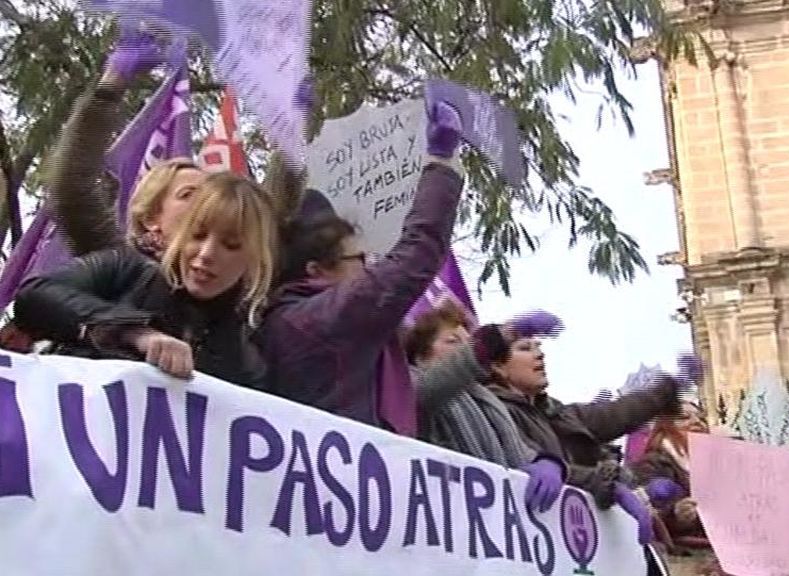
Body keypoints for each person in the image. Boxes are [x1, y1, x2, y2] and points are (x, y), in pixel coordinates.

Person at [0, 30, 303, 352]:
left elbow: (270, 215)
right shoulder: (121, 266)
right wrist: (110, 87)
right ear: (150, 219)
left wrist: (291, 133)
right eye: (190, 195)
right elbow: (74, 187)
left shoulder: (235, 303)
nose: (208, 204)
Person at [257, 100, 465, 436]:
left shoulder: (301, 318)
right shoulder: (317, 318)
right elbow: (415, 257)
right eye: (360, 259)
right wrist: (441, 163)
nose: (372, 267)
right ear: (317, 271)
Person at [13, 172, 277, 388]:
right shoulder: (125, 270)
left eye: (230, 245)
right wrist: (132, 331)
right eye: (198, 235)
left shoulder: (245, 363)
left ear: (255, 260)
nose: (206, 254)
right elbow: (34, 296)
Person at [486, 337, 686, 544]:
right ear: (498, 366)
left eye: (539, 346)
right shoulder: (494, 412)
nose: (539, 354)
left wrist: (667, 389)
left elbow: (616, 413)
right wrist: (606, 485)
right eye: (525, 348)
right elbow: (527, 461)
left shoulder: (558, 412)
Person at [404, 303, 567, 512]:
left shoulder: (487, 401)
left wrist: (548, 463)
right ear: (420, 355)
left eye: (468, 342)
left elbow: (520, 453)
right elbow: (437, 383)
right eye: (453, 341)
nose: (464, 348)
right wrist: (508, 333)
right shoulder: (412, 388)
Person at [631, 402, 711, 553]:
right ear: (666, 426)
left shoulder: (720, 462)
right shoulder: (651, 464)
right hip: (687, 555)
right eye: (684, 417)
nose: (696, 421)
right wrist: (676, 514)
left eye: (701, 417)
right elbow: (647, 516)